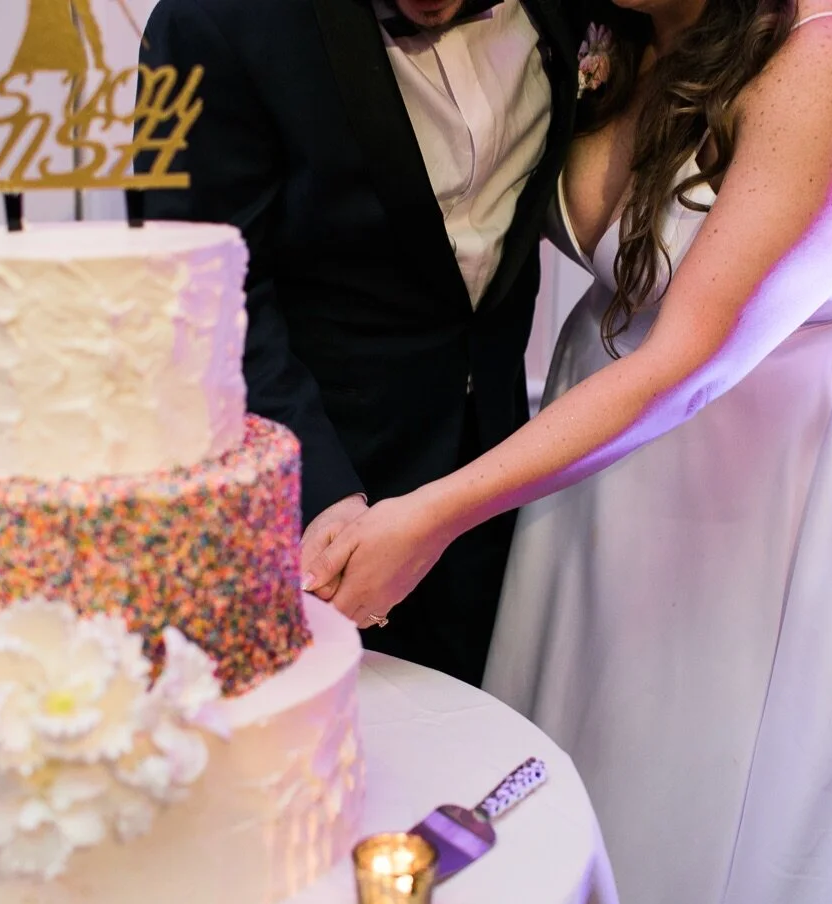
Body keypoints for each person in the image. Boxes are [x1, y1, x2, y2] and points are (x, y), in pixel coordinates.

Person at [305, 0, 832, 904]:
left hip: (806, 491)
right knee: (617, 786)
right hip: (617, 479)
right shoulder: (609, 26)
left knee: (787, 832)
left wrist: (432, 514)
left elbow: (692, 358)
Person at [135, 0, 583, 688]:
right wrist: (323, 493)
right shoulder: (214, 19)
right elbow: (205, 286)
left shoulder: (577, 9)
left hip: (493, 476)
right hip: (316, 487)